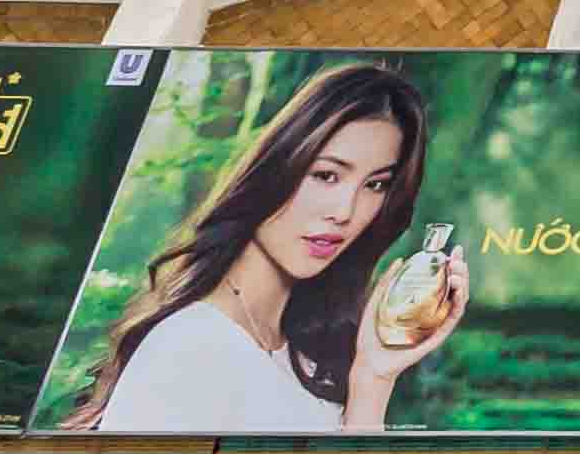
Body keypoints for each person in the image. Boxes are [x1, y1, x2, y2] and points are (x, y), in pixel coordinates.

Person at [74, 61, 446, 434]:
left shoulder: (306, 352)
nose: (345, 211)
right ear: (275, 168)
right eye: (325, 175)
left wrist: (374, 378)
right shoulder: (191, 344)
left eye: (375, 185)